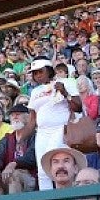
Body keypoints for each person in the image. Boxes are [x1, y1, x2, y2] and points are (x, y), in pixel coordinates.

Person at [27, 58, 81, 190]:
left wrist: (65, 93)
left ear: (49, 71)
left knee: (59, 163)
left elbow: (78, 107)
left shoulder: (65, 82)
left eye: (40, 72)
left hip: (60, 129)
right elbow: (32, 118)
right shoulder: (35, 91)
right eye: (35, 73)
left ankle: (66, 197)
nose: (37, 75)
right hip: (42, 132)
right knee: (42, 168)